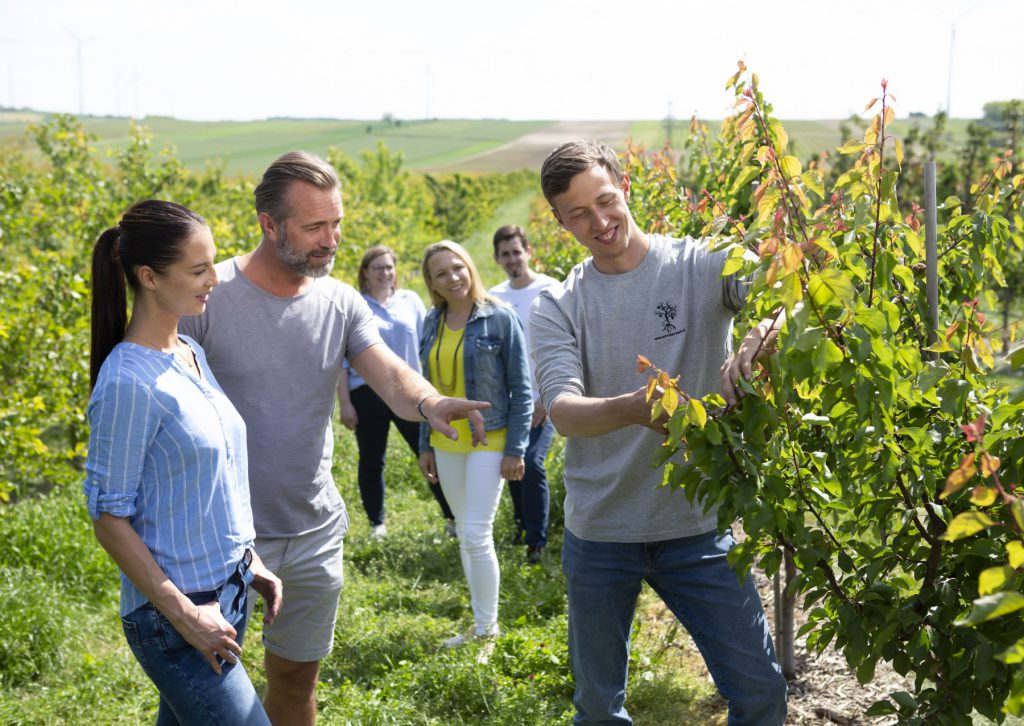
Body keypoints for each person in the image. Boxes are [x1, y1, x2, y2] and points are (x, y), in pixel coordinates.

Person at [178, 152, 489, 725]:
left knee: (294, 682)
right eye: (315, 227)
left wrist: (429, 401)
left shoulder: (339, 301)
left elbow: (389, 372)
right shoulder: (205, 297)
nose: (332, 240)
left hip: (311, 532)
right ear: (269, 225)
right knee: (206, 693)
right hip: (215, 538)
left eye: (337, 223)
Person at [530, 140, 788, 725]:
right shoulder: (559, 303)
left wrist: (760, 333)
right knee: (598, 708)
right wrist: (633, 407)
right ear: (559, 220)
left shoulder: (700, 264)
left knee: (762, 693)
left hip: (698, 526)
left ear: (625, 184)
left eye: (604, 200)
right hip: (600, 534)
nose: (599, 222)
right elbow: (564, 410)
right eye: (577, 214)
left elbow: (785, 295)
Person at [84, 199, 283, 725]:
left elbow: (209, 476)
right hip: (177, 619)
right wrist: (187, 616)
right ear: (148, 276)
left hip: (227, 595)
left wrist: (249, 558)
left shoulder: (189, 350)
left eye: (212, 262)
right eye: (197, 269)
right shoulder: (128, 381)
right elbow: (108, 519)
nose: (213, 278)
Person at [417, 240, 532, 659]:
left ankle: (488, 630)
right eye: (442, 273)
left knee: (475, 533)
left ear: (470, 267)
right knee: (466, 535)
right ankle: (480, 621)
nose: (454, 277)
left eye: (459, 267)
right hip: (447, 441)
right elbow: (423, 390)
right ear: (431, 282)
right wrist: (424, 443)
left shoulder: (500, 318)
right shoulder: (432, 321)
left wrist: (516, 450)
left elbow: (522, 389)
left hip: (492, 439)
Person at [337, 245, 457, 539]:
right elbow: (342, 360)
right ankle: (377, 525)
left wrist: (431, 390)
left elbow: (426, 345)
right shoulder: (356, 305)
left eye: (388, 266)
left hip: (409, 391)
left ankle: (452, 516)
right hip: (366, 392)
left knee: (427, 451)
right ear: (365, 272)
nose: (384, 273)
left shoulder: (410, 300)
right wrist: (345, 403)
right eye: (377, 267)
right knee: (372, 459)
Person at [488, 224, 560, 563]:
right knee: (511, 463)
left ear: (528, 252)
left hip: (544, 396)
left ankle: (537, 542)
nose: (512, 259)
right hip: (509, 402)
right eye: (505, 254)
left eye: (517, 251)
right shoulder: (493, 297)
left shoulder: (551, 290)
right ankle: (521, 526)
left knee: (531, 462)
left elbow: (566, 345)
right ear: (497, 259)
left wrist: (547, 397)